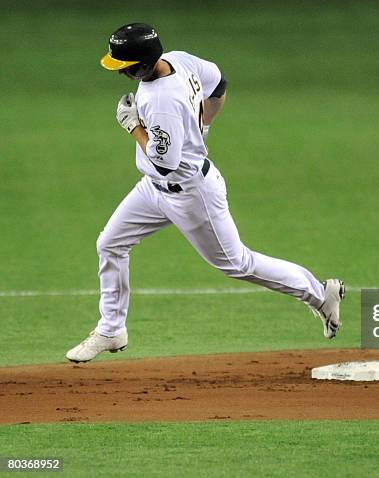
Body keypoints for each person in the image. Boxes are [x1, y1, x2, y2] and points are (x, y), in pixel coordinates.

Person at [66, 23, 344, 363]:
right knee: (110, 243)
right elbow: (219, 85)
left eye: (123, 65)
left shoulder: (160, 100)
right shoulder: (178, 60)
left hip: (190, 194)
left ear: (141, 64)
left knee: (237, 262)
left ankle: (319, 293)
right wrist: (203, 128)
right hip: (153, 190)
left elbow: (165, 162)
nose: (120, 71)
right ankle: (111, 329)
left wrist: (133, 127)